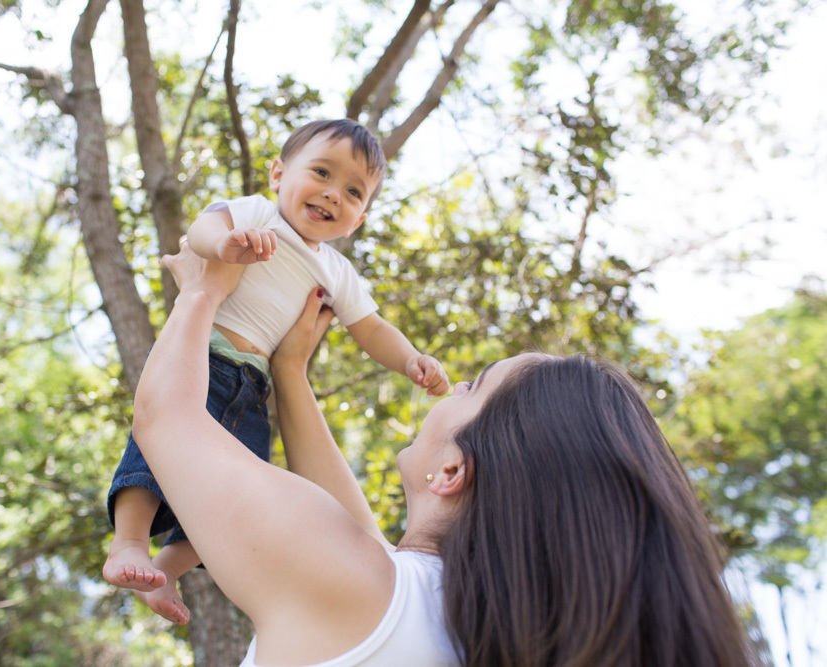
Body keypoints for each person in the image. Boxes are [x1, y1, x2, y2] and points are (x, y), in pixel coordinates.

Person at [128, 245, 753, 666]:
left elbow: (167, 420)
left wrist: (201, 293)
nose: (454, 386)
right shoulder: (452, 624)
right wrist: (290, 370)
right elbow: (361, 537)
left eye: (474, 388)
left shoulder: (360, 586)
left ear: (454, 471)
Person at [103, 119, 450, 623]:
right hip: (205, 356)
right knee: (156, 450)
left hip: (255, 386)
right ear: (278, 173)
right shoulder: (259, 214)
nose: (334, 195)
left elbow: (372, 329)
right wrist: (224, 246)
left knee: (238, 488)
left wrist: (411, 358)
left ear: (358, 219)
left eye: (353, 192)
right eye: (322, 173)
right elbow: (203, 226)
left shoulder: (336, 271)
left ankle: (169, 567)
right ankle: (128, 543)